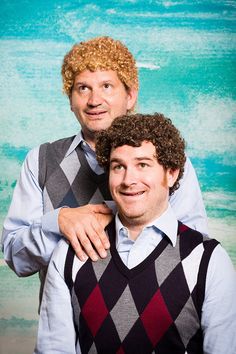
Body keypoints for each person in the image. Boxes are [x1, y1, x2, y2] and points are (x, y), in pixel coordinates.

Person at [2, 36, 207, 290]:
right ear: (70, 99)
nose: (94, 100)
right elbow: (15, 258)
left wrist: (115, 214)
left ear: (130, 96)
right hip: (66, 325)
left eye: (107, 86)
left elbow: (194, 253)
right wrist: (59, 222)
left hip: (154, 320)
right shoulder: (41, 161)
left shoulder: (167, 160)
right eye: (82, 88)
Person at [34, 113, 236, 354]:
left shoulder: (209, 260)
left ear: (171, 173)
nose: (129, 180)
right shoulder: (70, 254)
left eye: (143, 164)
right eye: (118, 166)